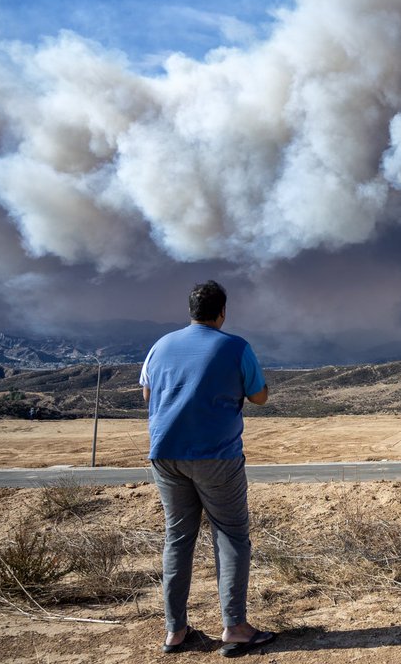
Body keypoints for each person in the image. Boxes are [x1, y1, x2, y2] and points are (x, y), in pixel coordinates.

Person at [140, 281, 276, 657]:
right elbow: (260, 396)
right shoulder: (235, 346)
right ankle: (235, 627)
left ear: (190, 310)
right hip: (217, 456)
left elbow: (148, 396)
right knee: (231, 535)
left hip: (165, 453)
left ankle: (175, 632)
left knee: (178, 538)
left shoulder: (160, 346)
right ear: (222, 313)